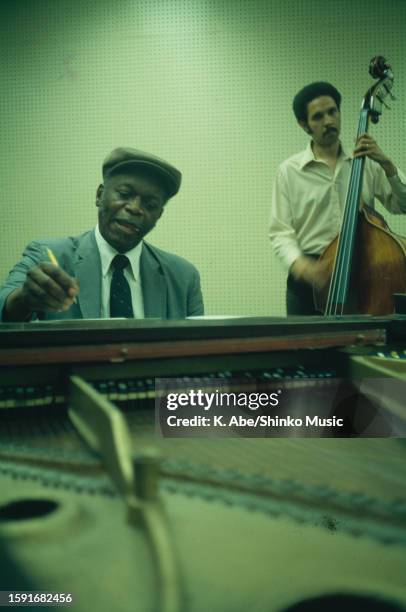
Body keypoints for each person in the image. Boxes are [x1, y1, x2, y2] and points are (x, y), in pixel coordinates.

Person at [0, 147, 204, 321]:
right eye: (124, 194)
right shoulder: (48, 256)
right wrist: (23, 300)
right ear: (99, 195)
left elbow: (198, 354)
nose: (135, 208)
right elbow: (4, 305)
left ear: (158, 215)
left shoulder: (183, 277)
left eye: (149, 204)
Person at [269, 81, 406, 315]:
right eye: (318, 116)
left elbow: (401, 205)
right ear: (304, 125)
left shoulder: (367, 162)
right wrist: (301, 266)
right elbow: (280, 232)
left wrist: (387, 164)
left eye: (333, 112)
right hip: (310, 278)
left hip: (363, 272)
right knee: (306, 351)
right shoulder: (289, 171)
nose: (328, 121)